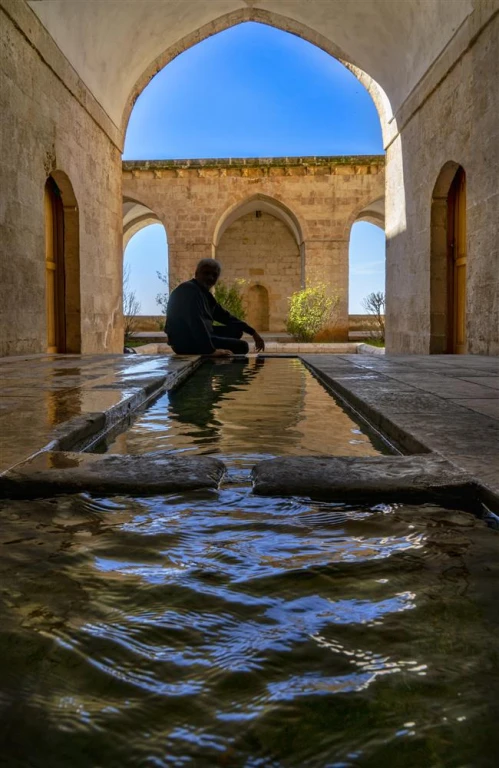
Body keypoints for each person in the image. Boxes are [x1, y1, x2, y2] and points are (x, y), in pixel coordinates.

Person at [165, 259, 265, 356]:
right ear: (196, 274)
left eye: (214, 275)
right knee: (243, 346)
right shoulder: (189, 290)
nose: (210, 278)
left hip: (197, 336)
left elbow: (226, 317)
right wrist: (210, 351)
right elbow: (196, 322)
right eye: (206, 273)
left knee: (236, 331)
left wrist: (253, 333)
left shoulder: (204, 294)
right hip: (185, 342)